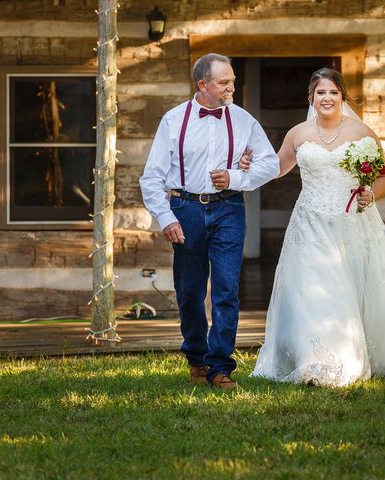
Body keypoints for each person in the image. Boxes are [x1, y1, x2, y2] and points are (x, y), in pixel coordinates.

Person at [246, 68, 385, 387]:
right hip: (310, 223)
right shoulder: (298, 133)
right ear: (311, 98)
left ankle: (349, 355)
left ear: (342, 96)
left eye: (333, 92)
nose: (327, 98)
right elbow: (276, 168)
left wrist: (371, 194)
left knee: (348, 289)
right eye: (320, 93)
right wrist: (250, 166)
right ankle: (311, 359)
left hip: (352, 224)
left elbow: (383, 178)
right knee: (310, 289)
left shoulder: (362, 133)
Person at [139, 53, 280, 389]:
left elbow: (270, 164)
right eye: (224, 82)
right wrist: (166, 217)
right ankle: (196, 356)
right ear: (202, 85)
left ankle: (220, 366)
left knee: (227, 287)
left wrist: (235, 177)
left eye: (232, 81)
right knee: (189, 291)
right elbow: (152, 177)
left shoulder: (244, 121)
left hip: (228, 208)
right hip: (185, 209)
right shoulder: (174, 121)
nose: (232, 87)